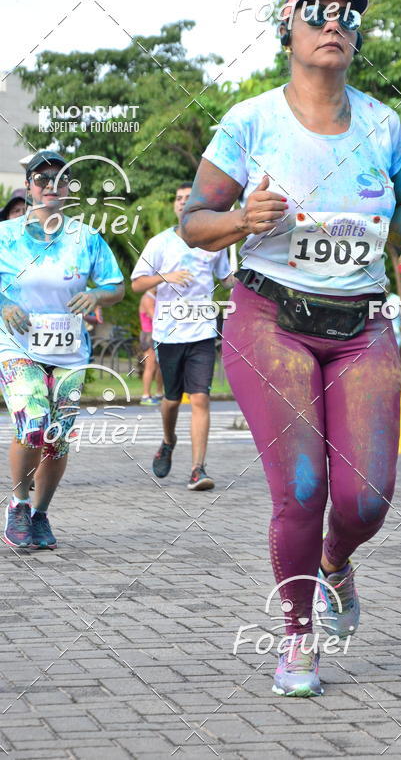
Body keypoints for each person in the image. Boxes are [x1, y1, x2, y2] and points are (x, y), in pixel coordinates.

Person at [180, 0, 401, 697]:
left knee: (364, 498)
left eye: (347, 15)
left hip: (362, 325)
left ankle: (336, 562)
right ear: (289, 32)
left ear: (355, 39)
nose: (334, 22)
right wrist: (240, 222)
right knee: (301, 486)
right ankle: (297, 636)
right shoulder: (250, 122)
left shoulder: (382, 124)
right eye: (316, 12)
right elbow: (196, 218)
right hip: (270, 318)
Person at [0, 150, 124, 549]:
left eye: (60, 179)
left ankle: (40, 513)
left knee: (58, 437)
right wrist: (6, 304)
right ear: (29, 187)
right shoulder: (7, 236)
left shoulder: (86, 238)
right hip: (17, 346)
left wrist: (96, 296)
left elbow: (115, 286)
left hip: (70, 352)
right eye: (42, 179)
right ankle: (18, 503)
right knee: (33, 422)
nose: (51, 186)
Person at [131, 182, 235, 490]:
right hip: (169, 333)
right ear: (175, 206)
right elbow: (137, 284)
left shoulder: (212, 244)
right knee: (172, 401)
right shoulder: (160, 243)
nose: (182, 202)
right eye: (178, 199)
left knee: (201, 397)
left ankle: (197, 469)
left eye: (189, 198)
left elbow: (227, 278)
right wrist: (166, 277)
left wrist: (247, 276)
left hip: (202, 331)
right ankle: (168, 440)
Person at [138, 289, 163, 405]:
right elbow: (156, 317)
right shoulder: (147, 298)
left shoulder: (156, 297)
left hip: (158, 335)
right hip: (148, 335)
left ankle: (159, 393)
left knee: (160, 366)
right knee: (150, 366)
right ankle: (145, 395)